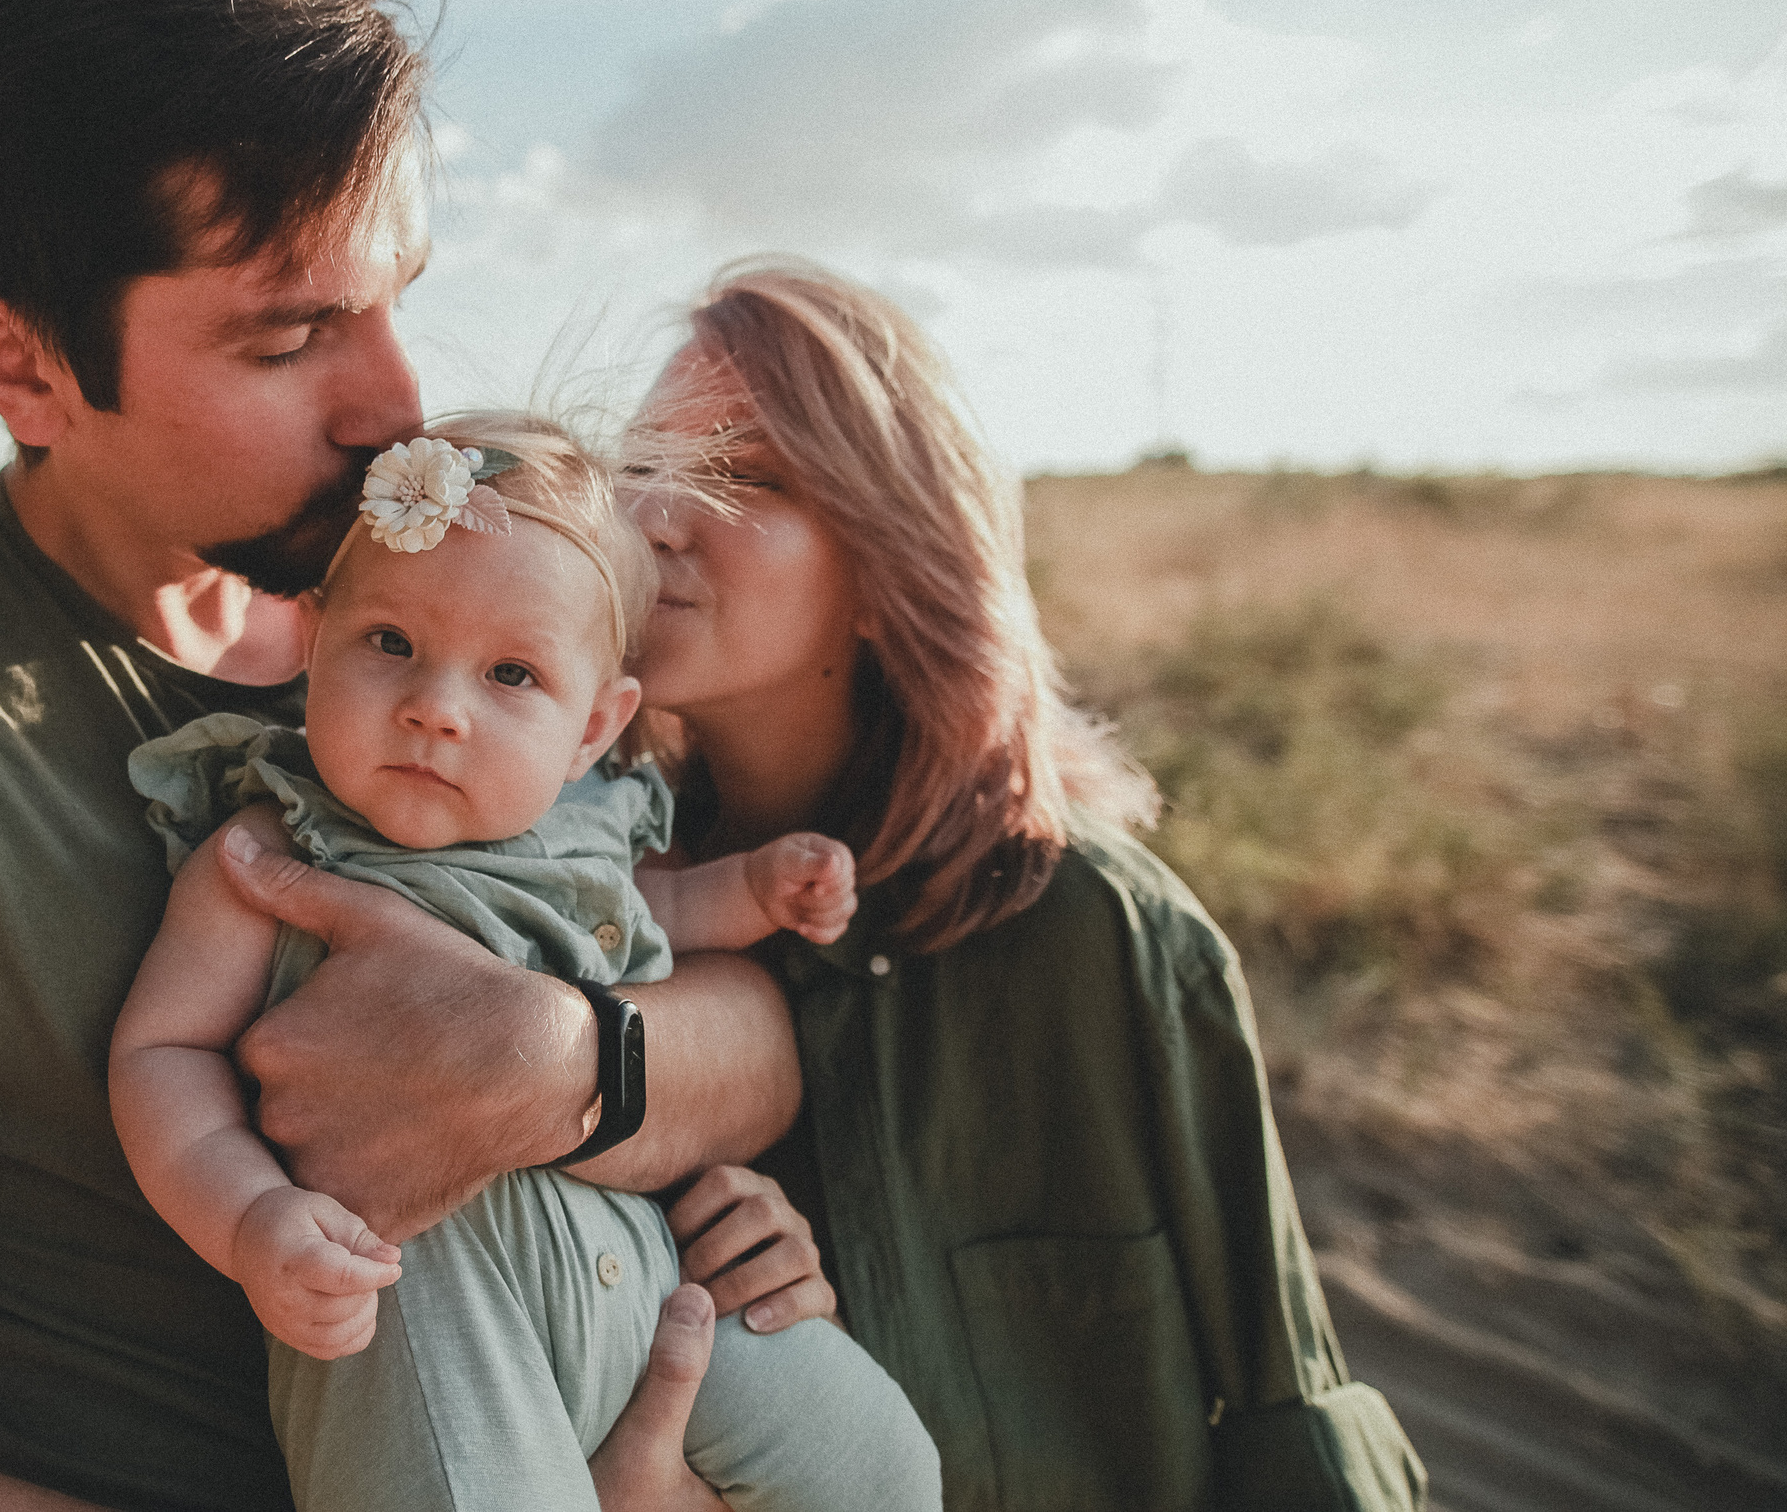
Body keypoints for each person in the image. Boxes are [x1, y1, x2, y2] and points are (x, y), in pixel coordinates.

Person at [0, 0, 817, 1512]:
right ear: (17, 361)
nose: (399, 405)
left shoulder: (480, 611)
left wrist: (570, 1064)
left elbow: (756, 1029)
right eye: (293, 335)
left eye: (396, 294)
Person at [613, 259, 1432, 1512]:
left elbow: (1287, 1412)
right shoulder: (591, 898)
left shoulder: (1100, 929)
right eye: (640, 463)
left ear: (890, 567)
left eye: (750, 475)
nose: (658, 515)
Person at [109, 418, 942, 1512]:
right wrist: (248, 1215)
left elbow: (661, 915)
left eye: (511, 672)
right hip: (420, 1308)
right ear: (312, 639)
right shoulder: (268, 856)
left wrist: (757, 888)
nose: (436, 708)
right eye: (390, 642)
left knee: (886, 1468)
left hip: (653, 1283)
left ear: (594, 727)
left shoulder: (588, 835)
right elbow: (163, 1053)